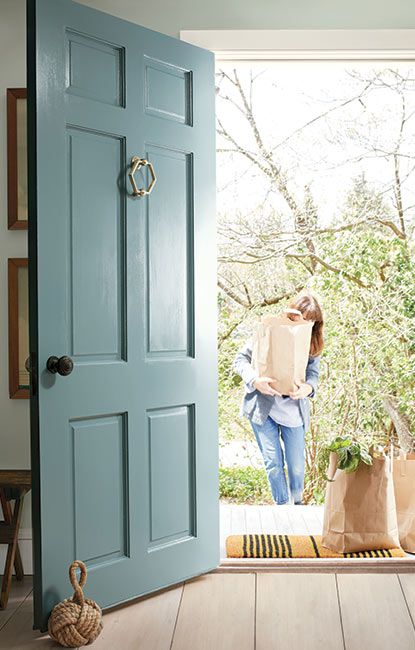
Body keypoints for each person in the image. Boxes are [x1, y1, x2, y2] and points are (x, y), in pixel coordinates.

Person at [233, 293, 324, 505]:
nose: (305, 324)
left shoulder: (312, 341)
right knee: (273, 463)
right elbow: (240, 360)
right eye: (301, 318)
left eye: (311, 321)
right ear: (291, 314)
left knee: (297, 466)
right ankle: (283, 508)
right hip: (263, 410)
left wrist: (308, 388)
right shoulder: (269, 330)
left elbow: (314, 374)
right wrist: (255, 380)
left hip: (294, 412)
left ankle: (297, 504)